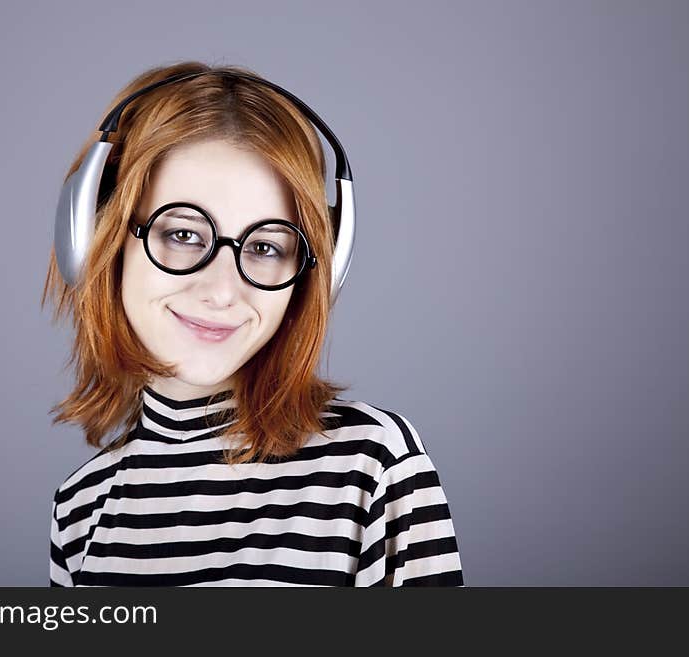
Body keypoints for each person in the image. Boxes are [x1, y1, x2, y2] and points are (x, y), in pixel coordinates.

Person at [42, 61, 464, 586]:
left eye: (265, 247)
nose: (222, 290)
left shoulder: (370, 467)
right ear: (93, 235)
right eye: (182, 235)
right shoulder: (83, 507)